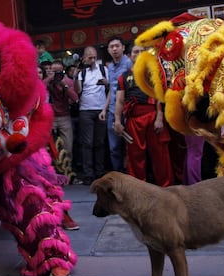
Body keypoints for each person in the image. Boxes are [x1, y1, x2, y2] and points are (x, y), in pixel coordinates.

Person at [113, 44, 173, 186]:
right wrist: (117, 120)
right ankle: (138, 187)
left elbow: (159, 97)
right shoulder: (123, 77)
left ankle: (166, 186)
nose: (139, 53)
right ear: (130, 56)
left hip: (153, 116)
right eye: (135, 51)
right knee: (135, 156)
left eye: (142, 51)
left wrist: (159, 118)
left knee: (160, 154)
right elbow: (120, 101)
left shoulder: (154, 73)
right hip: (133, 119)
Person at [45, 60, 80, 230]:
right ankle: (55, 177)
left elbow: (75, 98)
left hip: (64, 117)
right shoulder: (46, 82)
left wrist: (64, 85)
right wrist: (49, 80)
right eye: (54, 71)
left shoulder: (67, 81)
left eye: (59, 71)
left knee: (67, 147)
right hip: (50, 118)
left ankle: (68, 175)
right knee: (51, 150)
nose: (57, 74)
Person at [74, 46, 108, 185]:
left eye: (94, 57)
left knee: (100, 142)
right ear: (84, 58)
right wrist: (76, 75)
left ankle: (99, 172)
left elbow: (111, 88)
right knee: (87, 143)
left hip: (101, 109)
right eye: (90, 57)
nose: (92, 60)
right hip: (85, 110)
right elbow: (78, 91)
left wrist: (107, 83)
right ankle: (88, 174)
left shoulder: (103, 69)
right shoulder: (82, 72)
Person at [100, 36, 132, 172]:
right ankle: (118, 177)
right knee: (114, 148)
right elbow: (112, 90)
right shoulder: (110, 67)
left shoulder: (129, 64)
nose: (114, 49)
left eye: (117, 46)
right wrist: (104, 109)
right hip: (113, 112)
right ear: (108, 50)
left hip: (128, 110)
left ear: (123, 47)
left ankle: (133, 177)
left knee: (131, 146)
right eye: (111, 46)